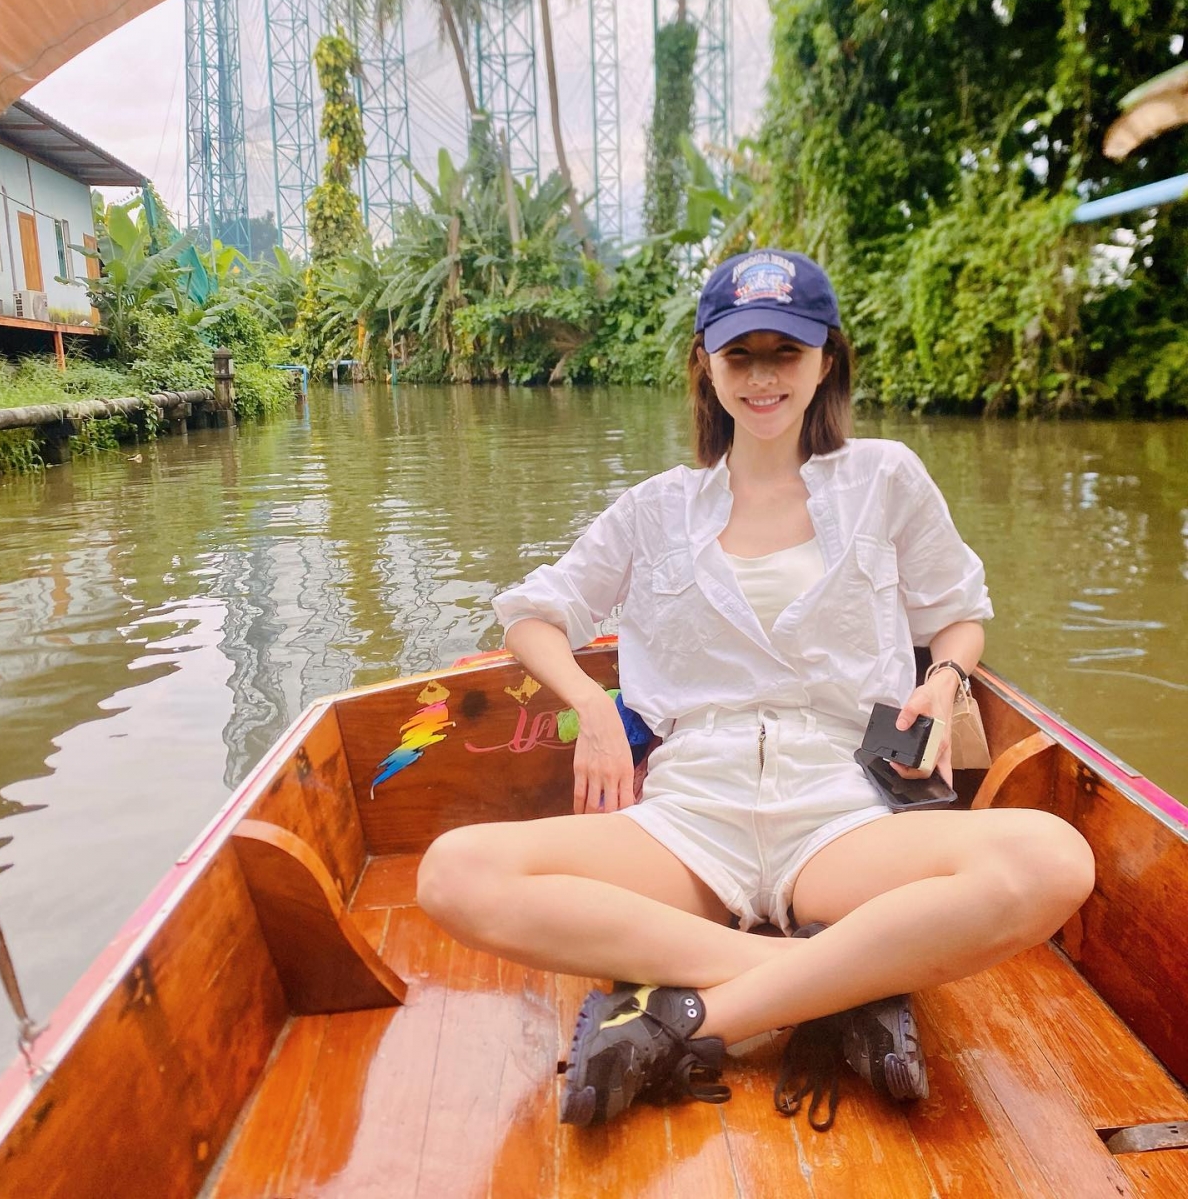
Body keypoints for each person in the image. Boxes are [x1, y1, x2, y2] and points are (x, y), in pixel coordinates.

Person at [416, 248, 1095, 1129]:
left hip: (840, 812)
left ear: (826, 361)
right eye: (741, 355)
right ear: (706, 363)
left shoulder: (885, 479)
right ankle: (836, 980)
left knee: (1053, 859)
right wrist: (590, 706)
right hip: (692, 816)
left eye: (787, 353)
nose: (764, 378)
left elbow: (959, 611)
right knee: (453, 875)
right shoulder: (658, 507)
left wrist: (947, 674)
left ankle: (693, 1015)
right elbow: (533, 618)